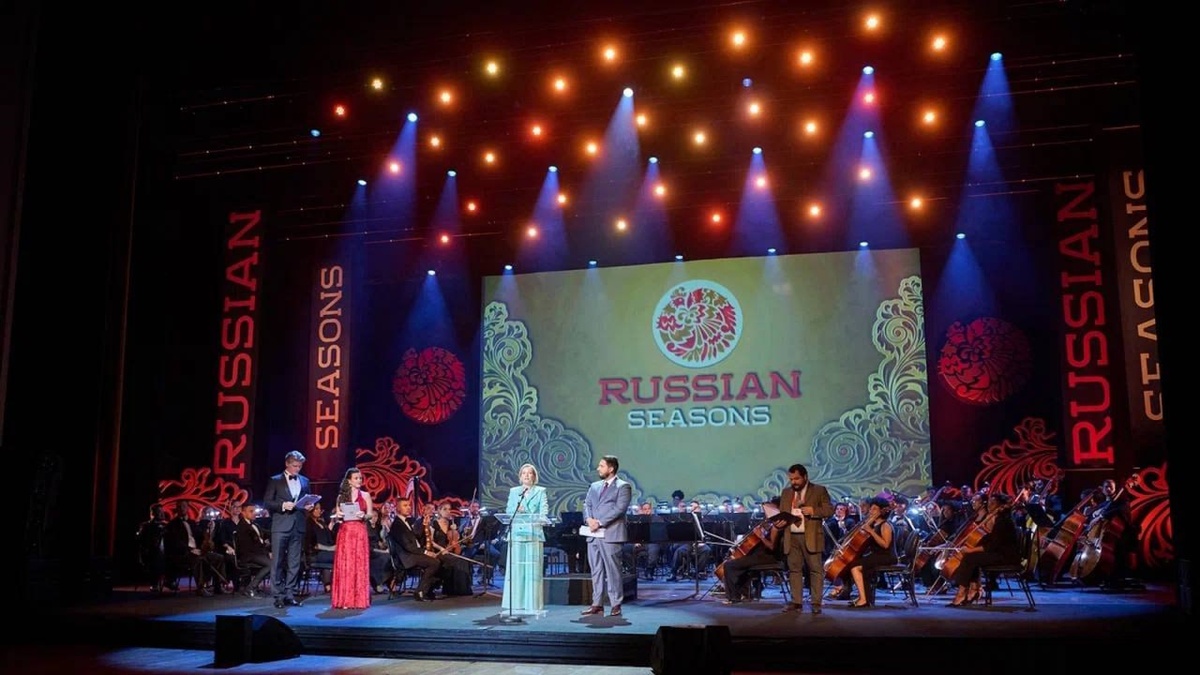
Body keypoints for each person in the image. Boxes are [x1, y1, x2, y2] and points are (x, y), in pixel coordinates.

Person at [947, 492, 1022, 606]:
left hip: (1005, 556)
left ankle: (963, 593)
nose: (989, 506)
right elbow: (988, 540)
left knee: (970, 558)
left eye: (993, 503)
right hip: (998, 553)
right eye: (989, 503)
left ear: (1000, 506)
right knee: (971, 558)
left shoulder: (1003, 521)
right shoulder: (995, 519)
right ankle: (972, 590)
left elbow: (993, 545)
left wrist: (971, 550)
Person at [580, 455, 632, 617]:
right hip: (593, 535)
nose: (598, 468)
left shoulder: (623, 486)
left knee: (613, 571)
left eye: (601, 466)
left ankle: (616, 604)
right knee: (596, 570)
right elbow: (587, 504)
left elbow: (619, 509)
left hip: (611, 534)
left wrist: (600, 522)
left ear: (611, 468)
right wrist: (589, 519)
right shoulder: (594, 486)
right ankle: (597, 604)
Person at [779, 463, 835, 614]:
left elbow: (829, 510)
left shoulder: (818, 490)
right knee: (794, 570)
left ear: (805, 477)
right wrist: (780, 522)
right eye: (791, 479)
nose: (794, 482)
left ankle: (816, 602)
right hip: (791, 536)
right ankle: (796, 602)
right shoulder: (786, 493)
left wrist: (813, 510)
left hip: (811, 536)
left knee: (815, 570)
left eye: (797, 479)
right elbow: (783, 512)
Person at [263, 450, 316, 608]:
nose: (297, 469)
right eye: (294, 466)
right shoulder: (275, 480)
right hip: (281, 525)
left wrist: (309, 506)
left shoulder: (305, 481)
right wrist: (282, 505)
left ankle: (290, 594)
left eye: (299, 466)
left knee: (294, 563)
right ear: (287, 464)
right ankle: (278, 595)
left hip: (298, 525)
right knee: (278, 561)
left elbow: (306, 501)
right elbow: (267, 502)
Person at [502, 463, 549, 614]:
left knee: (532, 572)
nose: (527, 475)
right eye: (524, 473)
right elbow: (509, 511)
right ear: (520, 476)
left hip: (534, 534)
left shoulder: (540, 491)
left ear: (534, 476)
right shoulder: (514, 491)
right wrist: (517, 509)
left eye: (530, 473)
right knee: (516, 571)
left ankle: (532, 604)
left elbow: (543, 513)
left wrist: (527, 511)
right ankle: (515, 604)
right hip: (516, 534)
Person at [330, 466, 374, 609]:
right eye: (356, 478)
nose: (359, 480)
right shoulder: (340, 497)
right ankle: (345, 599)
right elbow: (338, 515)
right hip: (346, 532)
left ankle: (358, 599)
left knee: (358, 564)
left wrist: (364, 515)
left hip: (359, 532)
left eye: (360, 478)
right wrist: (338, 515)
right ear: (349, 481)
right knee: (346, 564)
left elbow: (370, 514)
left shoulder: (365, 495)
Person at [844, 497, 898, 608]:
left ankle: (863, 599)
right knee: (852, 563)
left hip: (886, 556)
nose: (871, 511)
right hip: (876, 555)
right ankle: (862, 596)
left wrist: (871, 531)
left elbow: (885, 545)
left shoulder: (885, 525)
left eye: (874, 509)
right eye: (871, 509)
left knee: (855, 567)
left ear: (881, 511)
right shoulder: (874, 524)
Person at [386, 497, 442, 601]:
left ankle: (429, 590)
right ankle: (420, 591)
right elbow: (408, 546)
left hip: (412, 554)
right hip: (406, 557)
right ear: (398, 508)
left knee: (439, 560)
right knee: (434, 563)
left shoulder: (406, 521)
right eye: (405, 506)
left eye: (409, 505)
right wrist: (425, 552)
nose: (408, 508)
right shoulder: (397, 525)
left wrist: (424, 526)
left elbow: (416, 539)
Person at [234, 502, 273, 597]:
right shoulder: (242, 527)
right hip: (249, 555)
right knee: (271, 564)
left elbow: (266, 533)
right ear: (243, 513)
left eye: (254, 511)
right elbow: (248, 547)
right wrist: (266, 552)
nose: (254, 513)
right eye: (251, 511)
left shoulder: (255, 525)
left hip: (257, 553)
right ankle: (251, 587)